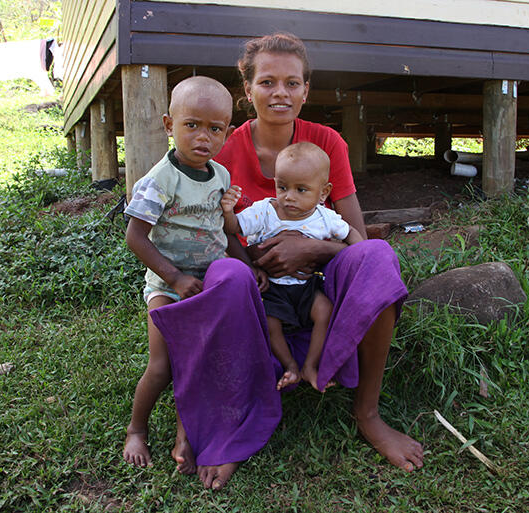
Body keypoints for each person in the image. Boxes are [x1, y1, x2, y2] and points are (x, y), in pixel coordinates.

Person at [150, 32, 424, 491]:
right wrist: (253, 263)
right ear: (248, 90)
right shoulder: (222, 148)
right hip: (255, 290)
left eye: (292, 83)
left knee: (378, 256)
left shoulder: (327, 143)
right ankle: (218, 421)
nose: (281, 93)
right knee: (226, 273)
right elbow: (212, 233)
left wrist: (313, 248)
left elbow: (354, 237)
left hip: (319, 285)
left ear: (306, 90)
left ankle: (368, 414)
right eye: (268, 82)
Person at [122, 76, 265, 473]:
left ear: (228, 133)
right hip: (168, 287)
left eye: (214, 129)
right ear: (170, 125)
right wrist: (175, 279)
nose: (203, 137)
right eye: (191, 125)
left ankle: (189, 432)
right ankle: (137, 429)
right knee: (163, 365)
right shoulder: (159, 180)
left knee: (198, 361)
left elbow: (222, 230)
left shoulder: (220, 176)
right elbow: (135, 237)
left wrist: (249, 266)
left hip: (211, 283)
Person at [221, 142, 364, 392]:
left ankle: (310, 365)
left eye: (301, 190)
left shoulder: (324, 217)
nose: (289, 196)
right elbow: (234, 229)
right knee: (270, 322)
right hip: (273, 287)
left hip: (307, 285)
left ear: (323, 193)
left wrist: (361, 252)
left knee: (324, 311)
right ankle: (290, 366)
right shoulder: (265, 210)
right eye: (283, 187)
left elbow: (350, 232)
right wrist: (227, 212)